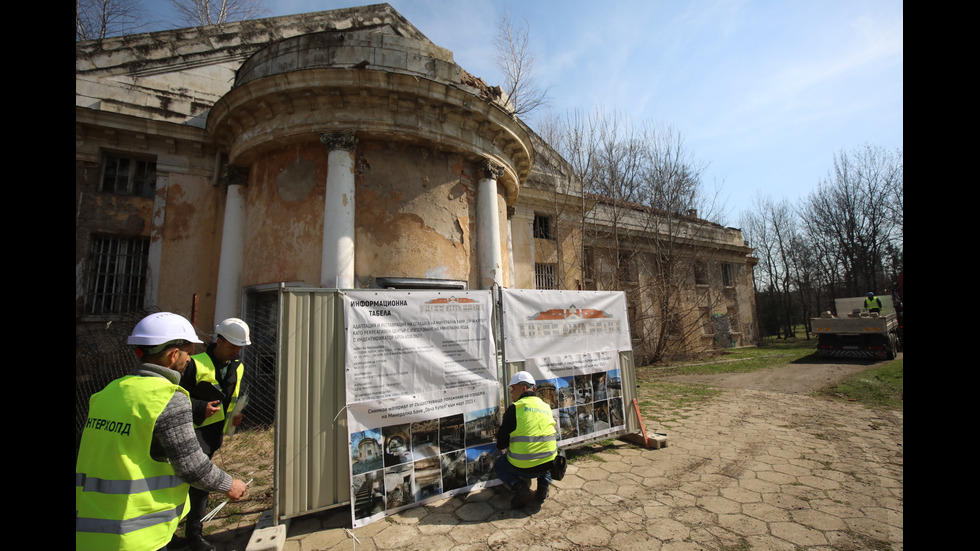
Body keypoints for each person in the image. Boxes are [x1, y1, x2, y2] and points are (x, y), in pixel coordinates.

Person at [76, 312, 248, 551]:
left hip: (89, 529)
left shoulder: (106, 393)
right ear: (174, 354)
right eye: (187, 352)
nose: (190, 358)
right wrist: (230, 484)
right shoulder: (167, 397)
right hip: (137, 533)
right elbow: (192, 466)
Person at [179, 318, 251, 551]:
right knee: (189, 484)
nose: (235, 351)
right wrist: (200, 408)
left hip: (212, 435)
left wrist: (233, 418)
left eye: (239, 347)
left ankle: (193, 532)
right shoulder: (193, 364)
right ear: (218, 341)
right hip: (189, 431)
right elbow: (172, 398)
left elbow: (230, 397)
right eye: (232, 346)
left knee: (200, 488)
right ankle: (181, 535)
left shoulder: (237, 366)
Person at [494, 371, 559, 509]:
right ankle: (543, 486)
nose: (511, 392)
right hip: (548, 464)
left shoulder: (514, 409)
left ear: (523, 388)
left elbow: (501, 444)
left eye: (513, 388)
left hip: (523, 467)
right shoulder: (545, 406)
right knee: (548, 453)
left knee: (499, 465)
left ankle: (520, 488)